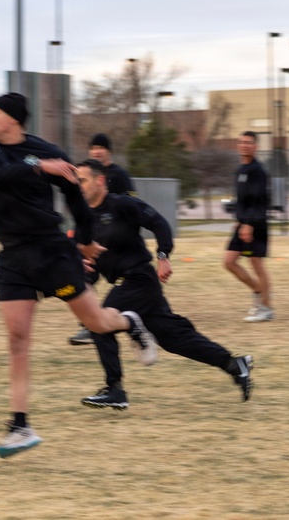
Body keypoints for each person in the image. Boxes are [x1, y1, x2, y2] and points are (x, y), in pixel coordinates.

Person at [0, 93, 154, 458]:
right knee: (17, 339)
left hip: (50, 251)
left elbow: (76, 201)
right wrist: (40, 167)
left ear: (14, 119)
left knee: (97, 322)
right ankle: (20, 426)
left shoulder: (48, 151)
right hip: (12, 255)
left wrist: (85, 241)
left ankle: (130, 323)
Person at [75, 159, 253, 409]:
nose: (78, 186)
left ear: (100, 180)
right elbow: (90, 264)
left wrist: (163, 256)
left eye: (82, 180)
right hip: (129, 285)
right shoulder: (84, 219)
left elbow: (159, 224)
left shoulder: (122, 204)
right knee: (174, 338)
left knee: (99, 323)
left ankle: (115, 390)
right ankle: (234, 364)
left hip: (139, 279)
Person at [69, 133, 138, 346]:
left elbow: (134, 206)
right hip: (92, 237)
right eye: (93, 148)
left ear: (109, 151)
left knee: (128, 286)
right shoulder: (85, 174)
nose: (96, 151)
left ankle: (116, 322)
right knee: (83, 276)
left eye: (101, 147)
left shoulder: (119, 175)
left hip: (116, 241)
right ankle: (89, 325)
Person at [223, 130, 275, 322]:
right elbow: (242, 201)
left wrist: (249, 224)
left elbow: (258, 201)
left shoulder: (257, 171)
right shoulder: (240, 170)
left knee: (256, 264)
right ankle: (258, 291)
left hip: (256, 224)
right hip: (243, 222)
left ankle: (266, 308)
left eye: (248, 142)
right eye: (241, 142)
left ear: (255, 147)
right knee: (229, 261)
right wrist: (238, 221)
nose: (244, 145)